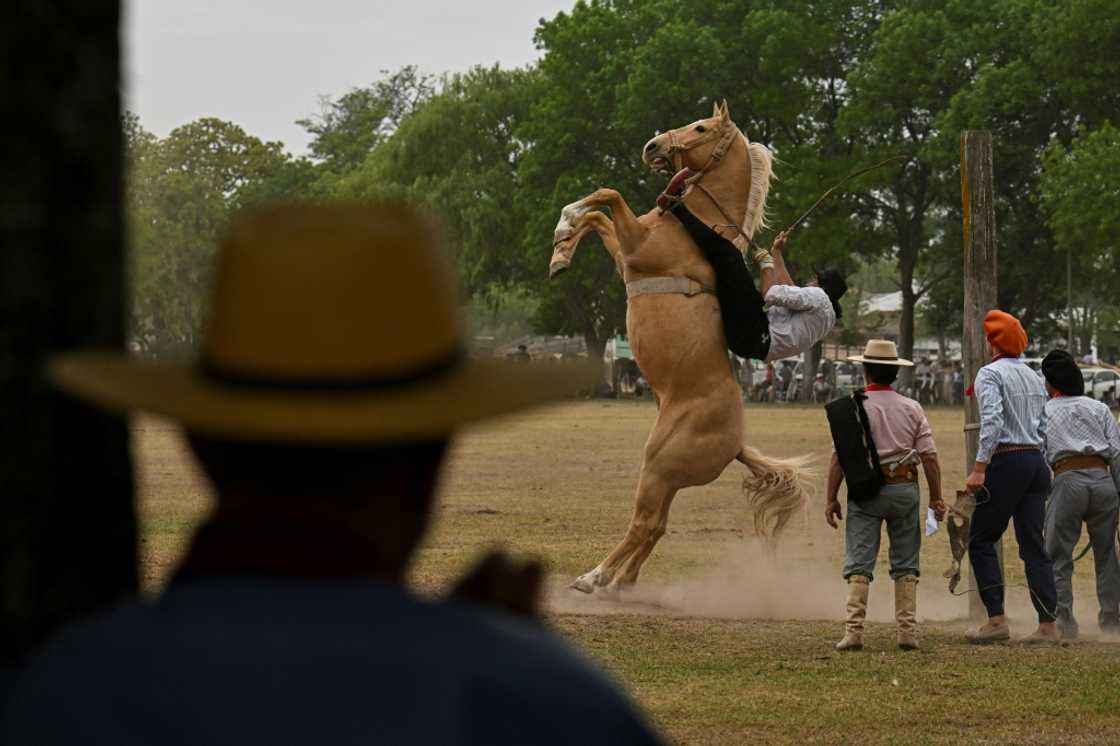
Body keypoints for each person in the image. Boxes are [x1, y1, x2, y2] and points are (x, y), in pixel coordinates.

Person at [3, 205, 665, 745]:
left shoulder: (57, 695)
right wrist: (500, 668)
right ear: (435, 451)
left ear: (198, 442)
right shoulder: (550, 706)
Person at [825, 340, 945, 651]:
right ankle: (907, 632)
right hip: (905, 488)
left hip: (865, 492)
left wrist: (831, 498)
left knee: (859, 562)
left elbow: (840, 458)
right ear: (894, 372)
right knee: (906, 561)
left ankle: (853, 632)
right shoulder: (912, 408)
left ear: (865, 371)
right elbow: (929, 457)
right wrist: (936, 497)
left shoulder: (853, 408)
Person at [657, 168, 847, 363]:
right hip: (752, 341)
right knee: (733, 273)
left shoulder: (819, 297)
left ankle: (675, 205)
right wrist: (776, 253)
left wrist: (766, 265)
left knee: (730, 255)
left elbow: (771, 294)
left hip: (755, 333)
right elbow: (790, 289)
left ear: (823, 285)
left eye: (815, 279)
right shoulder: (826, 316)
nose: (810, 281)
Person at [963, 310, 1059, 644]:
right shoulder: (1034, 376)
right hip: (1035, 462)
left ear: (992, 343)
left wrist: (979, 467)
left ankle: (996, 619)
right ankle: (1048, 624)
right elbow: (1044, 426)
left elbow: (992, 421)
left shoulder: (990, 374)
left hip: (1007, 460)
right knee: (1034, 545)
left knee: (982, 539)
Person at [1039, 349, 1120, 639]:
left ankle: (1065, 621)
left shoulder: (1045, 410)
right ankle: (1111, 619)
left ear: (1051, 385)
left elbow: (1039, 452)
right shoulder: (1099, 408)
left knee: (1058, 555)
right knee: (1107, 555)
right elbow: (1117, 453)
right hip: (1103, 480)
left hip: (1067, 479)